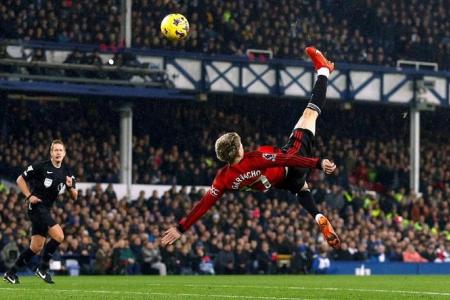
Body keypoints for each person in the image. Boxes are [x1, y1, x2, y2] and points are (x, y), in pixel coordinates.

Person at [162, 47, 341, 249]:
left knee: (301, 188)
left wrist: (181, 227)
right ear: (238, 149)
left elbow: (204, 205)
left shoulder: (223, 178)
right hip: (292, 161)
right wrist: (317, 163)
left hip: (284, 182)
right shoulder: (254, 158)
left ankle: (317, 215)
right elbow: (286, 159)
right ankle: (324, 71)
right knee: (310, 114)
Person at [3, 140, 77, 284]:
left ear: (64, 153)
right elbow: (20, 179)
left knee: (36, 247)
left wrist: (70, 187)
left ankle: (10, 273)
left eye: (60, 150)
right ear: (51, 153)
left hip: (46, 209)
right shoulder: (41, 166)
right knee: (59, 236)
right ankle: (42, 269)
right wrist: (29, 196)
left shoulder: (67, 171)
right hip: (36, 207)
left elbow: (75, 196)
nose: (58, 153)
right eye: (55, 150)